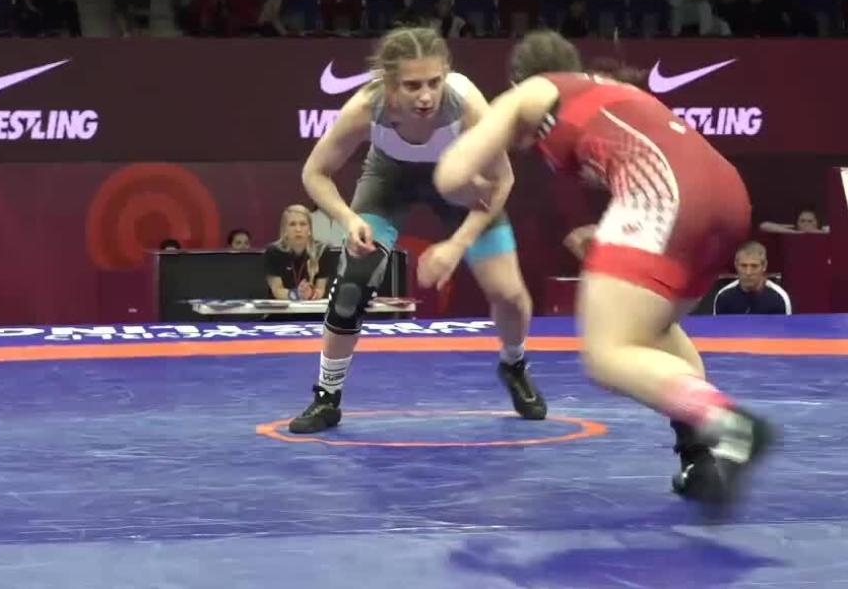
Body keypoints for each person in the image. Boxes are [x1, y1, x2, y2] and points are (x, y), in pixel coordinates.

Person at [433, 30, 776, 510]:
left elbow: (449, 175)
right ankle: (699, 458)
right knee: (653, 332)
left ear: (517, 79)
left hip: (667, 196)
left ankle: (730, 425)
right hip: (727, 195)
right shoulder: (608, 89)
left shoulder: (531, 91)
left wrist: (472, 186)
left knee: (606, 354)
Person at [289, 26, 544, 433]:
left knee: (509, 295)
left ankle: (514, 365)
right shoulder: (365, 107)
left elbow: (503, 180)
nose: (426, 96)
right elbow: (314, 173)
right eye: (412, 86)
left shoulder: (465, 104)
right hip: (389, 180)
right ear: (389, 84)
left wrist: (457, 245)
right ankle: (327, 397)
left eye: (434, 82)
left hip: (459, 180)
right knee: (351, 287)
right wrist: (350, 219)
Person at [264, 204, 338, 301]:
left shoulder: (321, 251)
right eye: (292, 224)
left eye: (303, 224)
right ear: (284, 230)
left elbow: (321, 289)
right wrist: (297, 294)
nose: (298, 229)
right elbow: (277, 290)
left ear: (310, 229)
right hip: (283, 308)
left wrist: (311, 294)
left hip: (312, 307)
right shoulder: (274, 252)